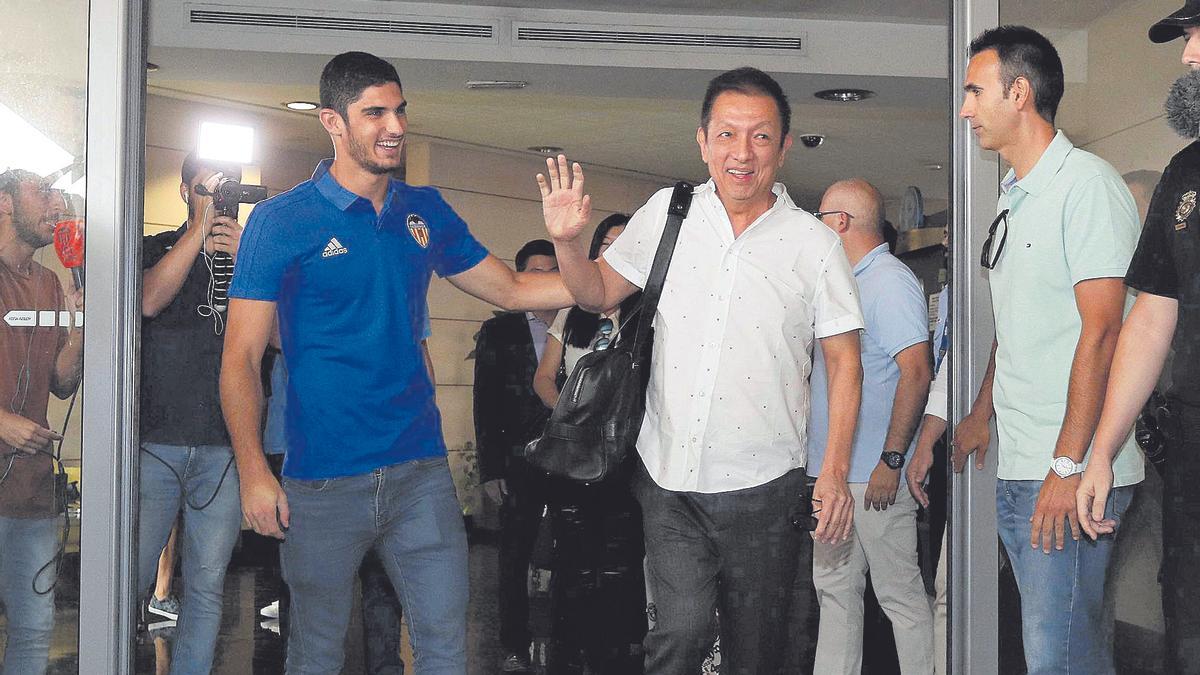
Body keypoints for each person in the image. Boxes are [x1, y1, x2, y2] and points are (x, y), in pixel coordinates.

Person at [220, 51, 573, 674]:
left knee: (444, 648)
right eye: (374, 112)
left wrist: (593, 261)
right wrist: (253, 471)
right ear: (332, 122)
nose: (395, 126)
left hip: (420, 474)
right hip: (322, 479)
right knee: (316, 654)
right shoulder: (281, 221)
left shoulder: (424, 209)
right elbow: (241, 361)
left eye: (400, 110)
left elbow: (517, 290)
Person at [537, 66, 865, 674]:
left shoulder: (813, 245)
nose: (742, 153)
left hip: (765, 486)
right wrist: (566, 244)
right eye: (727, 135)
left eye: (760, 136)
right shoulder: (670, 212)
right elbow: (597, 293)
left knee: (756, 654)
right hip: (669, 478)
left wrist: (836, 472)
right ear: (703, 140)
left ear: (784, 145)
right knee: (680, 637)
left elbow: (845, 363)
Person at [955, 26, 1143, 674]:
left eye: (976, 91)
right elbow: (1017, 322)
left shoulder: (1085, 186)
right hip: (1024, 464)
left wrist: (1067, 465)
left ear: (1020, 92)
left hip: (1070, 471)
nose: (966, 108)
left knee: (1060, 660)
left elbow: (1104, 330)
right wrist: (983, 412)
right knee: (1063, 652)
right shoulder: (1014, 196)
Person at [1077, 5, 1200, 672]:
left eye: (1198, 34)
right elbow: (1152, 316)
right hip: (1190, 455)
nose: (1188, 56)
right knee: (1187, 630)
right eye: (1187, 38)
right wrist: (1102, 451)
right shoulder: (1184, 173)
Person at [808, 179, 934, 674]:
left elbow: (917, 370)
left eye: (820, 217)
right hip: (833, 476)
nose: (816, 227)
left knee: (899, 597)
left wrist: (892, 458)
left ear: (841, 222)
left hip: (873, 474)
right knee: (835, 594)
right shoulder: (847, 280)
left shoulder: (888, 280)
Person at [532, 215, 646, 674]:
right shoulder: (571, 309)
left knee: (619, 566)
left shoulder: (646, 316)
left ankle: (613, 656)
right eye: (607, 244)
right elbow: (543, 377)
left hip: (626, 461)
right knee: (574, 563)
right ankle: (569, 653)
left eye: (625, 246)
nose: (614, 253)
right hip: (573, 457)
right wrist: (573, 420)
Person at [0, 168, 83, 675]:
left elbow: (61, 381)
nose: (54, 202)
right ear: (4, 204)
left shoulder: (51, 282)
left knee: (33, 629)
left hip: (31, 490)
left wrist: (79, 331)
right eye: (41, 191)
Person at [472, 238, 558, 673]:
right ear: (520, 276)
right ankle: (514, 645)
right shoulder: (499, 331)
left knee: (572, 552)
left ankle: (567, 640)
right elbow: (484, 401)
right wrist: (489, 469)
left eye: (551, 271)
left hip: (568, 461)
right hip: (517, 461)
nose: (544, 280)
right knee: (514, 556)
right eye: (535, 272)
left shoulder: (577, 322)